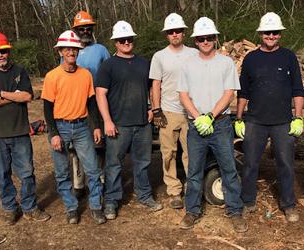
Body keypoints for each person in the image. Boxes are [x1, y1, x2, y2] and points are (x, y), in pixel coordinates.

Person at [177, 17, 247, 232]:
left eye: (209, 37)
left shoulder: (226, 63)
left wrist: (211, 116)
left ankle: (235, 211)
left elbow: (229, 94)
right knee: (194, 170)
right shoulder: (187, 64)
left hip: (221, 124)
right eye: (201, 38)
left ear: (215, 39)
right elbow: (183, 95)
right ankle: (192, 211)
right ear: (196, 40)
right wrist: (199, 118)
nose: (205, 41)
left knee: (228, 168)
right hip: (196, 126)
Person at [234, 12, 304, 222]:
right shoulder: (251, 59)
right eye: (267, 32)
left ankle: (288, 204)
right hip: (255, 120)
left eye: (275, 32)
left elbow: (297, 90)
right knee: (251, 163)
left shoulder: (289, 57)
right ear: (260, 34)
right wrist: (239, 118)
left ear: (280, 35)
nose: (271, 36)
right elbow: (243, 92)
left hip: (283, 121)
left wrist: (298, 117)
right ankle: (248, 201)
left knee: (285, 163)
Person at [0, 32, 51, 225]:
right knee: (3, 174)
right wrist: (13, 96)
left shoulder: (20, 71)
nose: (0, 55)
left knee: (27, 173)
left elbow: (27, 96)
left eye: (2, 51)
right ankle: (10, 208)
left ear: (8, 51)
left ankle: (29, 207)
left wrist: (0, 94)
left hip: (20, 132)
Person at [96, 20, 162, 220]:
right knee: (114, 164)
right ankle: (112, 201)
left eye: (129, 39)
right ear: (115, 42)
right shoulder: (108, 66)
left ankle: (144, 195)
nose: (126, 42)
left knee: (142, 162)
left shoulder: (144, 63)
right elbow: (100, 94)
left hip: (142, 123)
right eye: (122, 39)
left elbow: (152, 88)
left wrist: (152, 107)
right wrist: (107, 121)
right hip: (118, 124)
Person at [42, 30, 105, 225]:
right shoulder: (52, 76)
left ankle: (95, 206)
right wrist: (53, 134)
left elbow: (91, 102)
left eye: (75, 49)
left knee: (93, 170)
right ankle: (71, 208)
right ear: (60, 51)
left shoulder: (85, 75)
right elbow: (47, 108)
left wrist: (95, 127)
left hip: (81, 126)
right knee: (62, 172)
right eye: (67, 49)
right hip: (60, 126)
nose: (71, 52)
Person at [149, 13, 198, 209]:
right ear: (167, 35)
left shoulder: (194, 53)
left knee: (191, 153)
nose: (175, 34)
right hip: (168, 111)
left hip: (190, 112)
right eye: (171, 31)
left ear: (184, 33)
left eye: (178, 31)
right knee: (168, 153)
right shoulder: (159, 56)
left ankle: (192, 188)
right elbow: (156, 83)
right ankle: (174, 191)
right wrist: (157, 109)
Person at [70, 11, 110, 198]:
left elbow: (110, 74)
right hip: (76, 105)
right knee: (76, 146)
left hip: (98, 102)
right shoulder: (69, 50)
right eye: (81, 29)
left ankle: (100, 179)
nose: (85, 31)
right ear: (75, 30)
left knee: (98, 143)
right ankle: (79, 184)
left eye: (88, 28)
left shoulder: (101, 50)